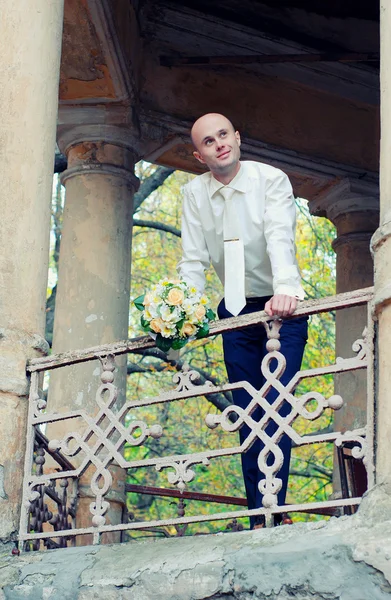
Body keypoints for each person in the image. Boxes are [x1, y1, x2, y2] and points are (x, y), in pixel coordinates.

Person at [177, 113, 308, 528]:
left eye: (223, 135)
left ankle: (277, 510)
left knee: (276, 407)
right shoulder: (193, 194)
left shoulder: (270, 180)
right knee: (248, 412)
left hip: (280, 308)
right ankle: (258, 517)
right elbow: (193, 261)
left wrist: (285, 289)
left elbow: (279, 235)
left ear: (237, 138)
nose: (218, 144)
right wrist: (183, 314)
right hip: (233, 312)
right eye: (208, 141)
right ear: (199, 155)